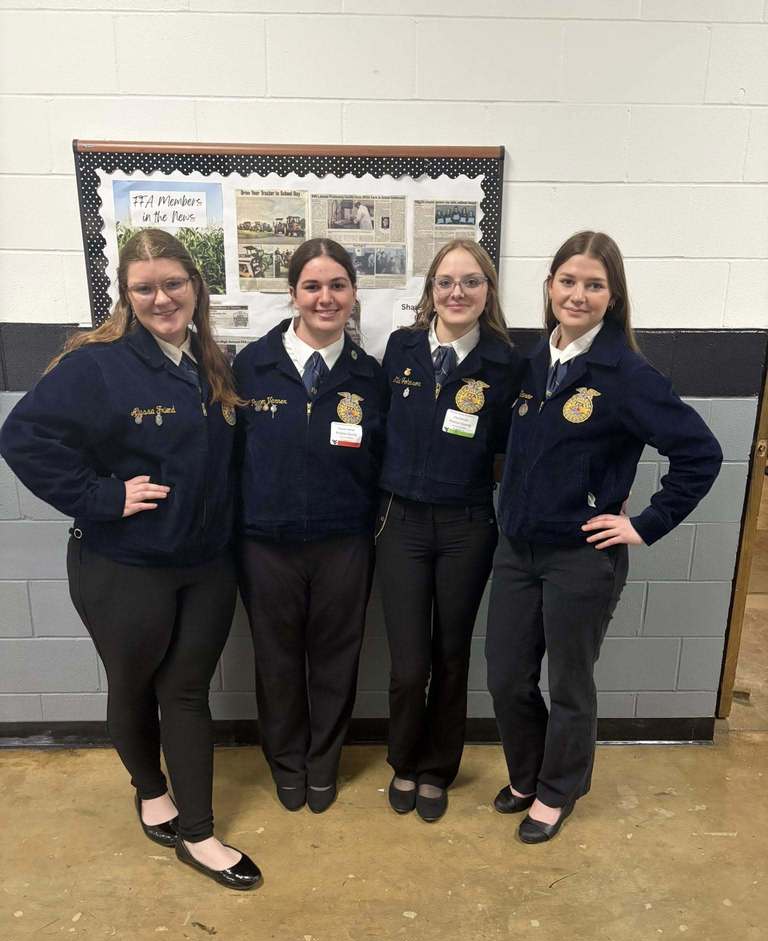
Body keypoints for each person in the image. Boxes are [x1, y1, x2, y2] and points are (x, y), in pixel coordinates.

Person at [0, 229, 262, 889]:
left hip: (205, 567)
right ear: (126, 294)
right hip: (124, 567)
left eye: (173, 283)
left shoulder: (211, 359)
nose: (161, 298)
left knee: (186, 693)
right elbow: (22, 437)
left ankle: (197, 834)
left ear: (195, 287)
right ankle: (151, 789)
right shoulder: (98, 363)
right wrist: (101, 496)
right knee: (135, 687)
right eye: (144, 288)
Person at [485, 230, 723, 844]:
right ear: (549, 287)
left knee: (568, 682)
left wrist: (643, 524)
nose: (578, 294)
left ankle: (557, 791)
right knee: (507, 676)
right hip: (517, 549)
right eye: (568, 281)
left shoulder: (626, 373)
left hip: (581, 558)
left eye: (594, 285)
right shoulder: (534, 362)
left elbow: (700, 452)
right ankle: (527, 773)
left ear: (613, 297)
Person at [234, 238, 387, 813]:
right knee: (275, 662)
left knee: (336, 660)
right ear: (293, 293)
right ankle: (287, 764)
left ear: (353, 293)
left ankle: (324, 764)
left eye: (338, 285)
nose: (326, 298)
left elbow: (380, 460)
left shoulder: (368, 376)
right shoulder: (252, 366)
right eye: (312, 286)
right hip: (264, 544)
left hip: (344, 543)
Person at [377, 239, 522, 822]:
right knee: (409, 663)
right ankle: (404, 763)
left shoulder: (505, 363)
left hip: (466, 525)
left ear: (487, 292)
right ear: (430, 290)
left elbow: (511, 452)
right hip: (401, 524)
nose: (457, 292)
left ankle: (438, 769)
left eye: (471, 282)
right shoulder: (401, 348)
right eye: (445, 281)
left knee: (451, 654)